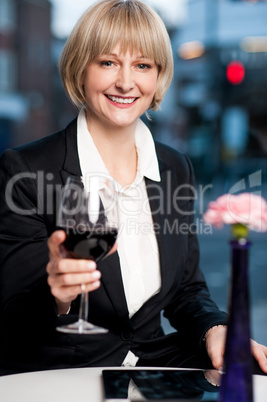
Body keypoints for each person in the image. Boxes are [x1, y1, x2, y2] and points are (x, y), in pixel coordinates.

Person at [0, 0, 266, 376]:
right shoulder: (25, 169)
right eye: (108, 63)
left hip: (154, 362)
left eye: (142, 65)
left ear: (157, 76)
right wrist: (56, 294)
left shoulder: (174, 167)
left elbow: (188, 289)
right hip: (64, 369)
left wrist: (215, 329)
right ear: (81, 69)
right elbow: (13, 314)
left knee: (249, 371)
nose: (126, 82)